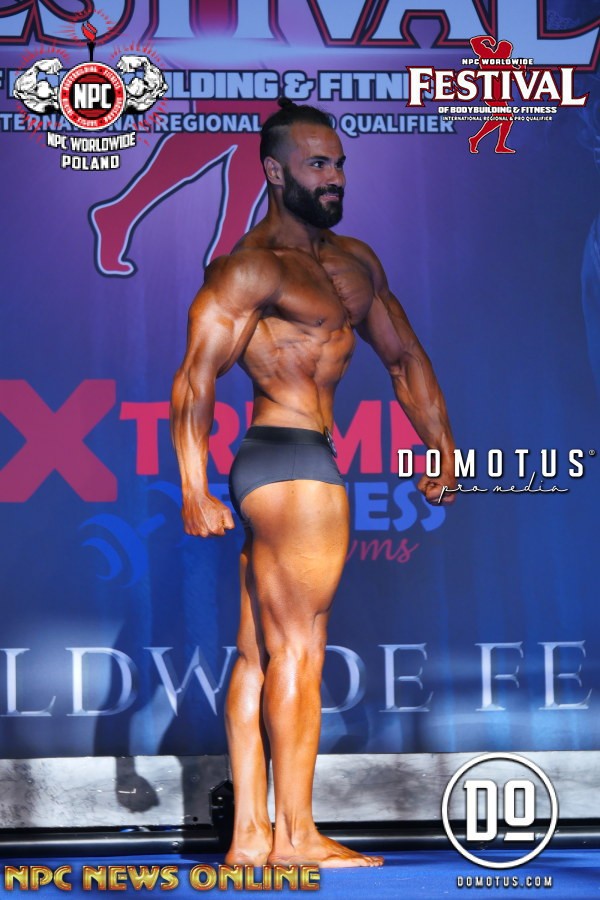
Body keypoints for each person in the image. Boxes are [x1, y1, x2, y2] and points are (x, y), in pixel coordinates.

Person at [170, 99, 456, 868]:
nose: (334, 178)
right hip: (289, 460)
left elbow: (404, 356)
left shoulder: (356, 262)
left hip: (285, 466)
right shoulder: (252, 266)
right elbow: (196, 376)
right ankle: (296, 837)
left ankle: (250, 836)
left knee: (257, 655)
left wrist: (441, 445)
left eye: (339, 164)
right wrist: (193, 486)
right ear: (275, 172)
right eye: (317, 165)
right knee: (301, 648)